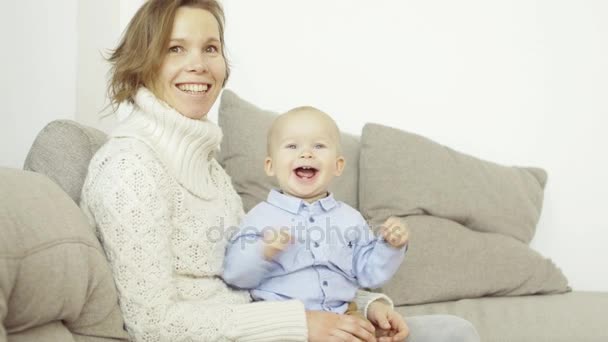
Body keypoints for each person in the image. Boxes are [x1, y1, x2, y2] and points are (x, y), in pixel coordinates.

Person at [80, 0, 481, 341]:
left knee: (454, 330)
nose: (198, 65)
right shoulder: (129, 168)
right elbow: (153, 324)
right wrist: (301, 325)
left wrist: (365, 305)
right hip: (269, 332)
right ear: (143, 62)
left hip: (280, 326)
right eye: (175, 49)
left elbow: (266, 280)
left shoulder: (210, 171)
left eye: (210, 48)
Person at [223, 107, 409, 321]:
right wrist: (263, 251)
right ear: (270, 166)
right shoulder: (260, 217)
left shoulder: (351, 219)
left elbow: (369, 274)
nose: (306, 153)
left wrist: (390, 246)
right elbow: (235, 275)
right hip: (285, 324)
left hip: (343, 320)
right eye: (292, 146)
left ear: (338, 166)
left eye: (319, 146)